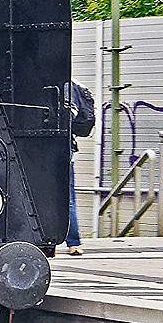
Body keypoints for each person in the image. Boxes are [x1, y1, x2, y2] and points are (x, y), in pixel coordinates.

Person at [66, 80, 97, 255]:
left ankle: (73, 242)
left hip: (59, 148)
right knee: (68, 197)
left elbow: (69, 114)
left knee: (66, 198)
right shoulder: (70, 84)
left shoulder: (65, 85)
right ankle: (73, 242)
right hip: (66, 148)